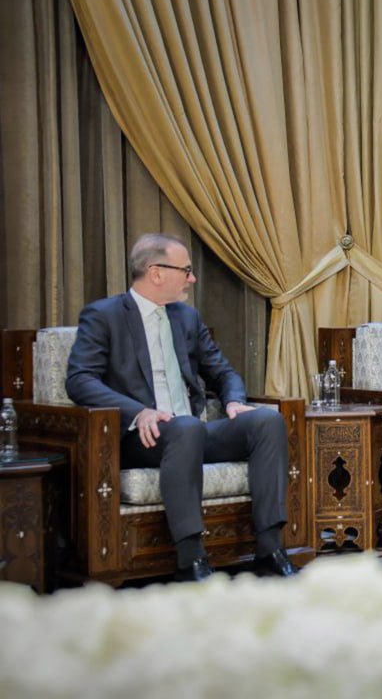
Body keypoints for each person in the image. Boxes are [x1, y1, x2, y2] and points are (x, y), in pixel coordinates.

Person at [65, 234, 296, 582]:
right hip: (142, 438)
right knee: (186, 427)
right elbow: (80, 380)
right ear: (156, 272)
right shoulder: (104, 315)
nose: (192, 278)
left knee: (267, 421)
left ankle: (270, 549)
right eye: (186, 270)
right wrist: (138, 411)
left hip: (190, 432)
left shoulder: (186, 318)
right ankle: (191, 558)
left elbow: (223, 372)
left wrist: (234, 401)